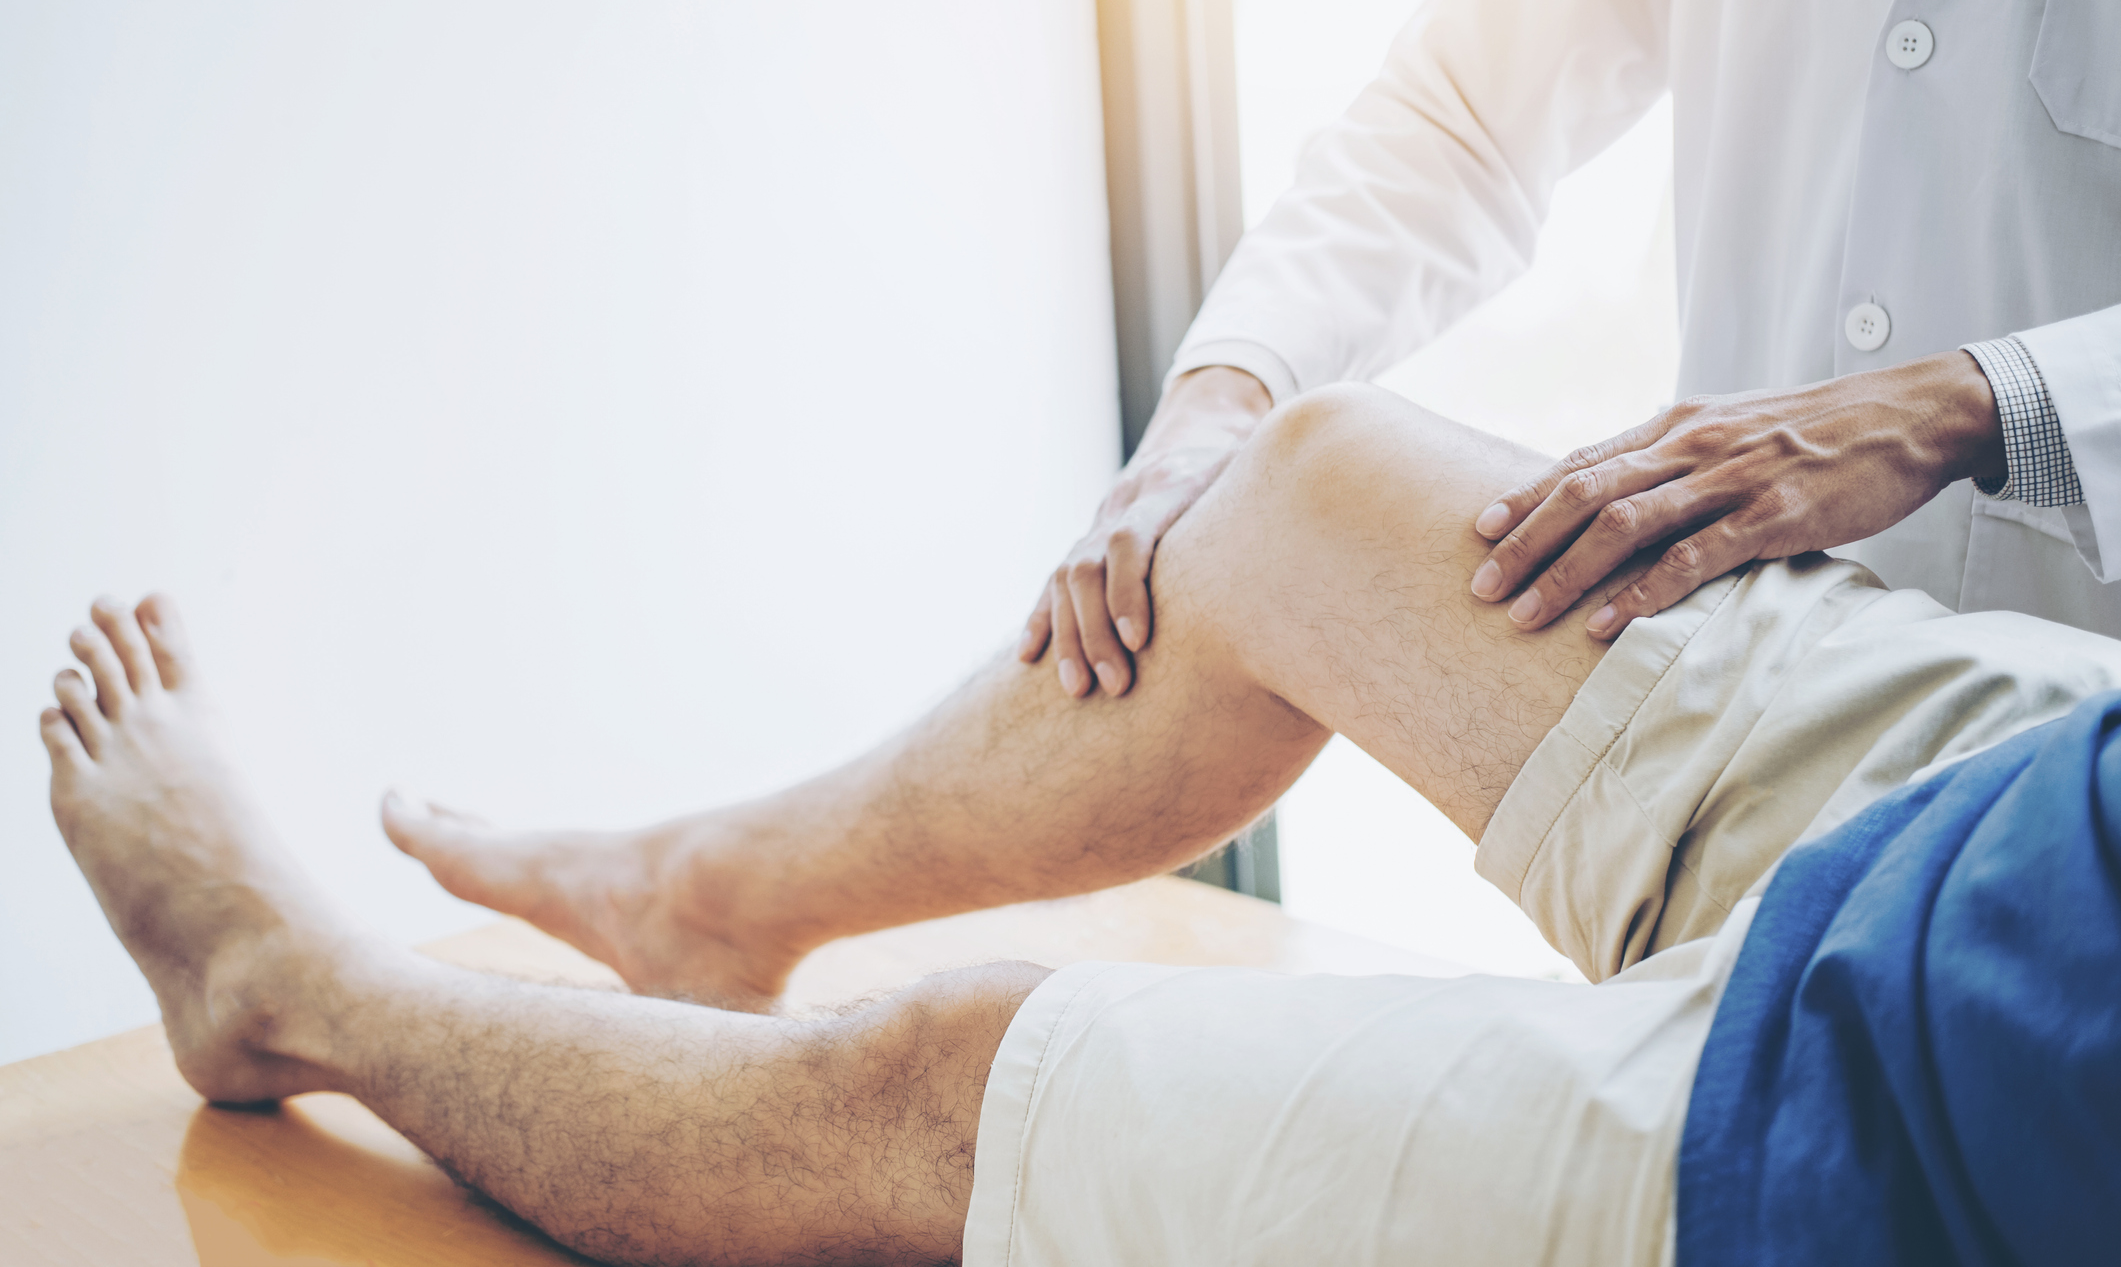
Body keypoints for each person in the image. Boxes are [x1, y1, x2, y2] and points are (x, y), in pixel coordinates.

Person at [39, 387, 2121, 1266]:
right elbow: (1468, 97)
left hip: (1946, 1135)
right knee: (1301, 482)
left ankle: (278, 984)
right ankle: (705, 898)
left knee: (930, 1073)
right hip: (2053, 797)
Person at [1023, 0, 2121, 702]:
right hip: (1749, 684)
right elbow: (1470, 117)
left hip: (2077, 711)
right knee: (1317, 481)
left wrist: (1970, 407)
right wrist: (1220, 400)